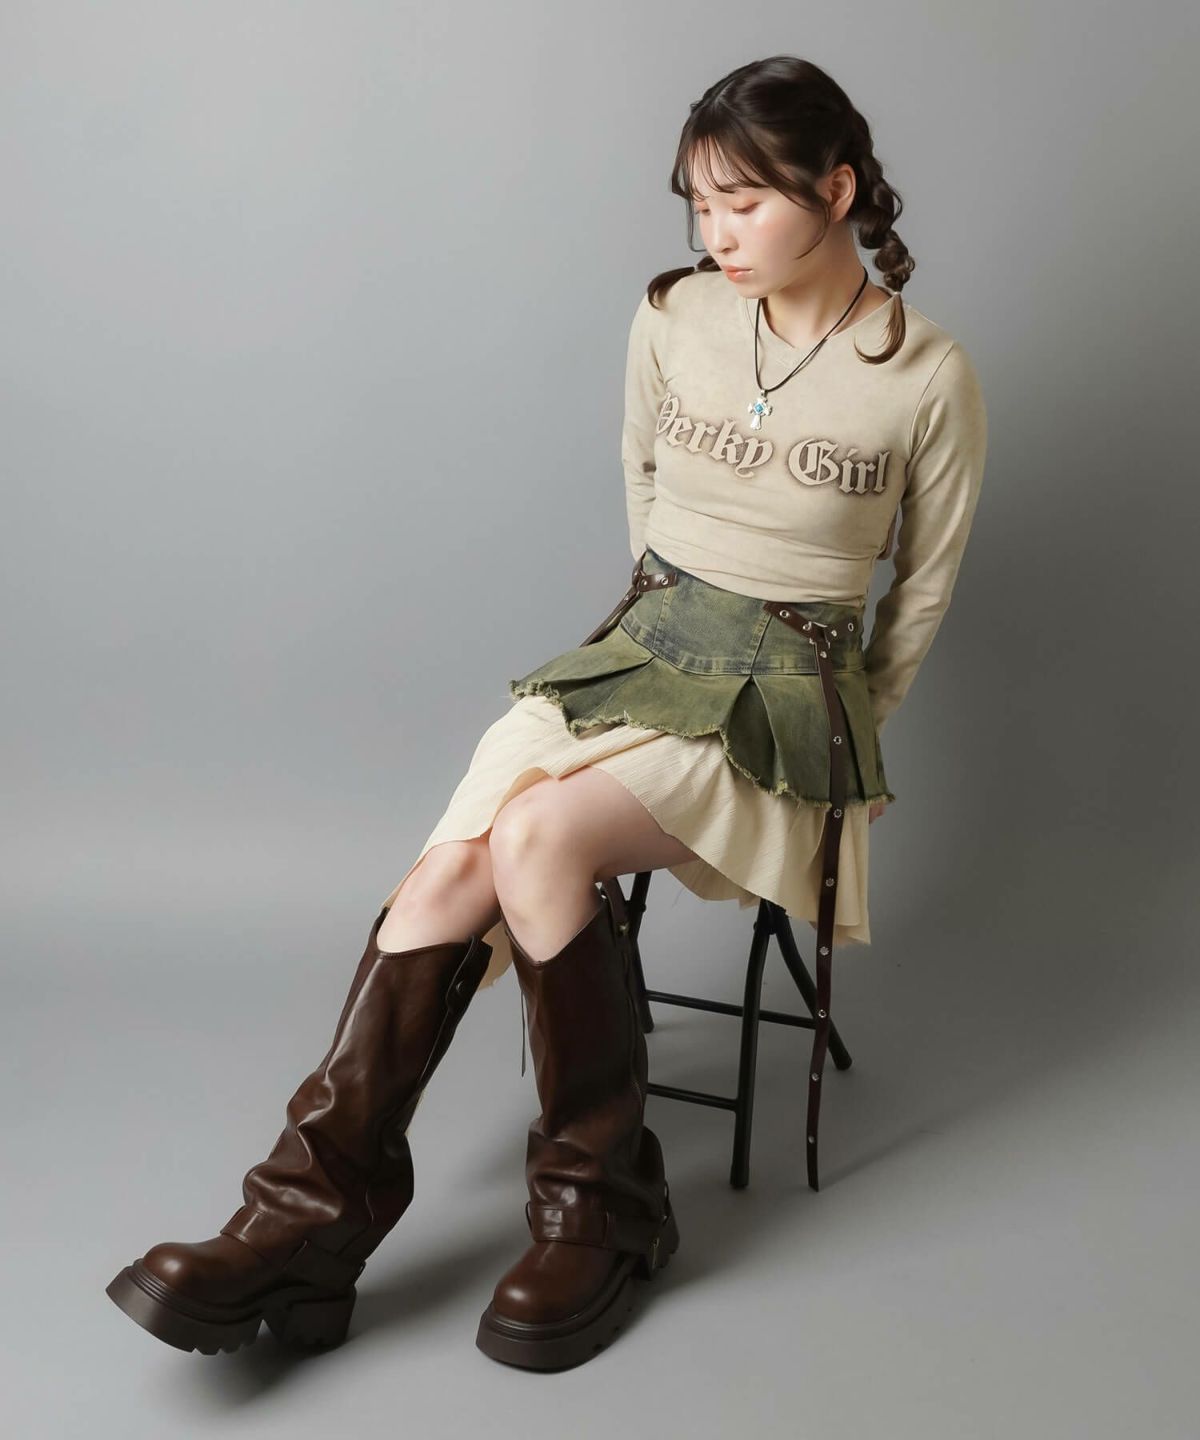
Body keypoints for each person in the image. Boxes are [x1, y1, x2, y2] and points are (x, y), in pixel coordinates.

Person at [106, 53, 987, 1373]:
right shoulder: (675, 316)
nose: (715, 232)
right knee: (456, 863)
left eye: (745, 203)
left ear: (837, 189)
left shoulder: (923, 372)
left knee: (535, 838)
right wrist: (662, 631)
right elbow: (645, 484)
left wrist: (849, 741)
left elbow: (918, 593)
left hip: (785, 699)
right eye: (699, 203)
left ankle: (598, 1208)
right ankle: (300, 1220)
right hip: (645, 647)